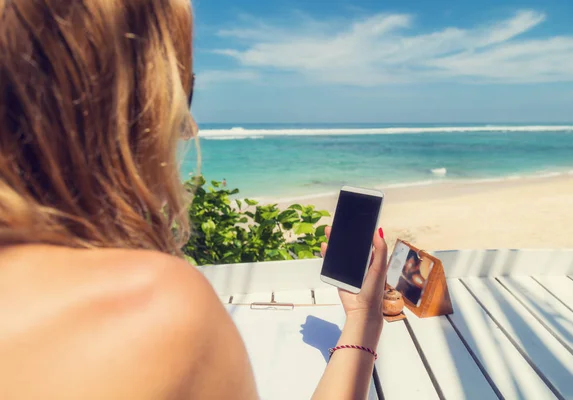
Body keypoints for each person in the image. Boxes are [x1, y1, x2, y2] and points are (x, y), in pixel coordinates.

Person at [0, 1, 388, 398]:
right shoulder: (152, 304)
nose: (189, 127)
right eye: (180, 88)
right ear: (118, 106)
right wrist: (363, 318)